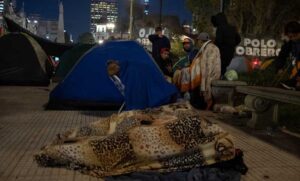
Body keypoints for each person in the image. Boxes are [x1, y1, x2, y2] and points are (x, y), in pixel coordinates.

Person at [190, 32, 221, 110]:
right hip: (213, 76)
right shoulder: (212, 47)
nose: (198, 43)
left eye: (198, 41)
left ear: (200, 41)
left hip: (210, 77)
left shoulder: (208, 49)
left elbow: (208, 68)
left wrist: (205, 85)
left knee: (201, 99)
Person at [274, 21, 300, 90]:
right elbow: (282, 55)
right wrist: (279, 67)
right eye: (290, 37)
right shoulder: (290, 44)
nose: (293, 39)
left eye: (295, 36)